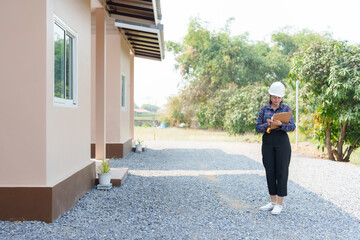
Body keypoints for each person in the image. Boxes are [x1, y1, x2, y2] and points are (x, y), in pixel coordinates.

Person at [256, 81, 296, 215]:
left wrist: (280, 125)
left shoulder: (286, 109)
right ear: (270, 95)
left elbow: (292, 127)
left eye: (279, 97)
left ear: (282, 97)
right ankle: (272, 202)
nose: (276, 99)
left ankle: (279, 204)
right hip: (268, 141)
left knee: (282, 171)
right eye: (274, 97)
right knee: (270, 171)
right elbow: (257, 127)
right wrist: (267, 125)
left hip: (282, 142)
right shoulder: (264, 109)